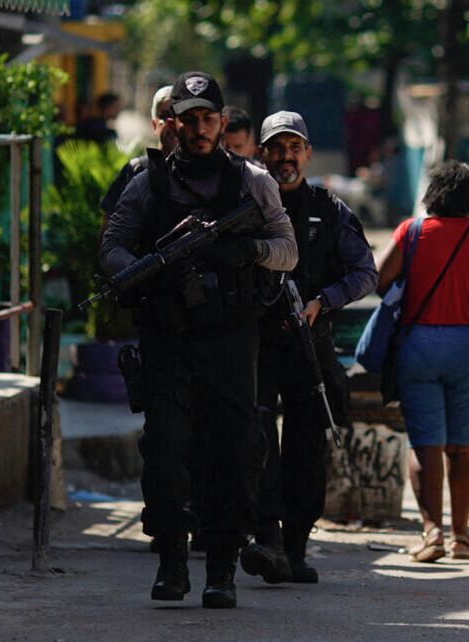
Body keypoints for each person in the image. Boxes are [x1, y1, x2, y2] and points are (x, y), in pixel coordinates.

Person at [100, 71, 298, 608]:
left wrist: (249, 252)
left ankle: (221, 568)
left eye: (209, 117)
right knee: (165, 448)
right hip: (168, 336)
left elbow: (287, 247)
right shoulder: (149, 182)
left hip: (231, 339)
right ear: (174, 124)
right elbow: (113, 246)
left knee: (231, 451)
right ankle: (170, 560)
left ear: (221, 119)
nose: (201, 128)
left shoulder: (252, 181)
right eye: (190, 119)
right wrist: (148, 270)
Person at [239, 110, 377, 584]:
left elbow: (364, 273)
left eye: (294, 148)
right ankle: (266, 538)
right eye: (276, 148)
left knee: (306, 448)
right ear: (262, 153)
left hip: (307, 346)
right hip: (254, 343)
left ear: (308, 154)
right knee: (255, 440)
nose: (286, 157)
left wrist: (324, 301)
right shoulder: (245, 204)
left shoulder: (330, 209)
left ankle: (295, 547)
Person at [373, 160, 469, 562]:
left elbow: (378, 279)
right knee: (464, 444)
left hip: (417, 344)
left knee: (425, 445)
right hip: (468, 346)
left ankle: (432, 532)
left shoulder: (412, 231)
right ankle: (461, 536)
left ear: (433, 193)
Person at [100, 85, 178, 223]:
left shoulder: (202, 172)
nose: (172, 123)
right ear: (154, 125)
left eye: (179, 116)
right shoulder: (136, 169)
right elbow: (109, 228)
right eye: (165, 116)